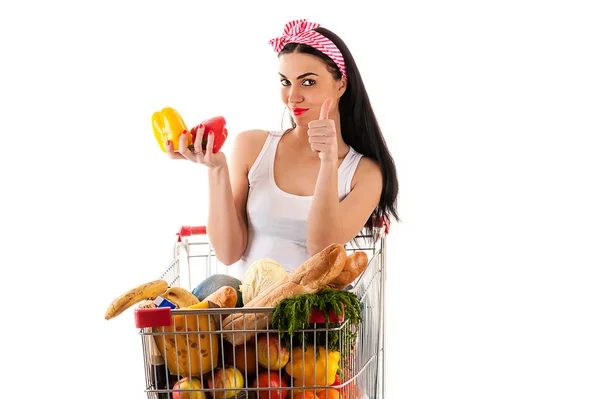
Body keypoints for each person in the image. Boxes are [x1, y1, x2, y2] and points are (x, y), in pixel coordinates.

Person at [166, 19, 399, 282]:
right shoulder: (252, 147)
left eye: (308, 82)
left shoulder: (365, 173)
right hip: (250, 314)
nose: (293, 96)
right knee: (218, 285)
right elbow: (228, 253)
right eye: (285, 82)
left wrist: (328, 161)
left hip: (314, 320)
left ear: (341, 85)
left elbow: (322, 248)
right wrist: (216, 169)